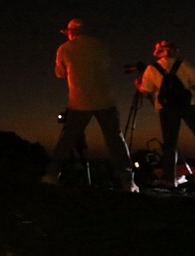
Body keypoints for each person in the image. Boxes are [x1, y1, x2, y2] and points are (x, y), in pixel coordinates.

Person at [42, 18, 136, 191]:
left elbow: (60, 73)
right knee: (115, 140)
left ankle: (52, 175)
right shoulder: (101, 46)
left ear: (70, 33)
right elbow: (106, 65)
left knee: (67, 140)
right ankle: (127, 181)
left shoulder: (64, 49)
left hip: (79, 101)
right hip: (105, 100)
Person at [133, 39, 195, 186]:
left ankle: (168, 178)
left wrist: (139, 84)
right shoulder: (183, 64)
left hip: (166, 109)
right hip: (190, 105)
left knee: (170, 143)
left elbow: (146, 90)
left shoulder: (151, 69)